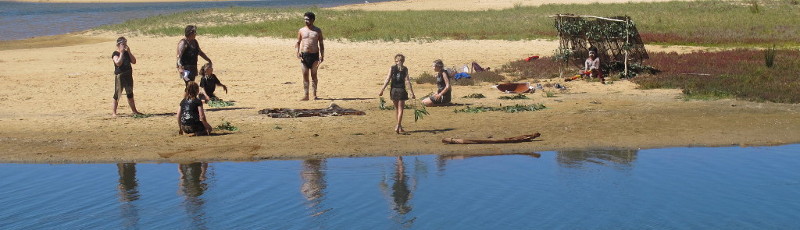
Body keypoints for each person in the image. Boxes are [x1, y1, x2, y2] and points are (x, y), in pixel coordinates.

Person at [378, 54, 416, 134]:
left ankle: (399, 126)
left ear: (395, 61)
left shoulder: (392, 68)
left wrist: (382, 90)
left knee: (397, 109)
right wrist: (411, 92)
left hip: (394, 90)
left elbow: (388, 79)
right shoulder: (405, 69)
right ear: (403, 61)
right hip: (401, 90)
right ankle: (398, 125)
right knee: (400, 109)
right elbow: (407, 81)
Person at [295, 12, 325, 101]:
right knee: (305, 75)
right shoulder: (301, 30)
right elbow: (297, 42)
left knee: (314, 75)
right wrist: (297, 52)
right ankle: (306, 95)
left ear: (312, 20)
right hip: (304, 55)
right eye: (305, 19)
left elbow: (321, 44)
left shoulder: (317, 31)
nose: (306, 21)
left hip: (315, 55)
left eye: (307, 19)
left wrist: (322, 55)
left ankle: (314, 95)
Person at [111, 37, 142, 117]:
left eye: (125, 43)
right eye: (123, 44)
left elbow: (134, 61)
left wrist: (129, 52)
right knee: (117, 94)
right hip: (120, 75)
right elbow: (118, 63)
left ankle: (134, 111)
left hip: (128, 74)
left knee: (130, 93)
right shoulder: (115, 54)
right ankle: (114, 112)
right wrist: (121, 53)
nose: (124, 45)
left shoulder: (127, 53)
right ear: (118, 45)